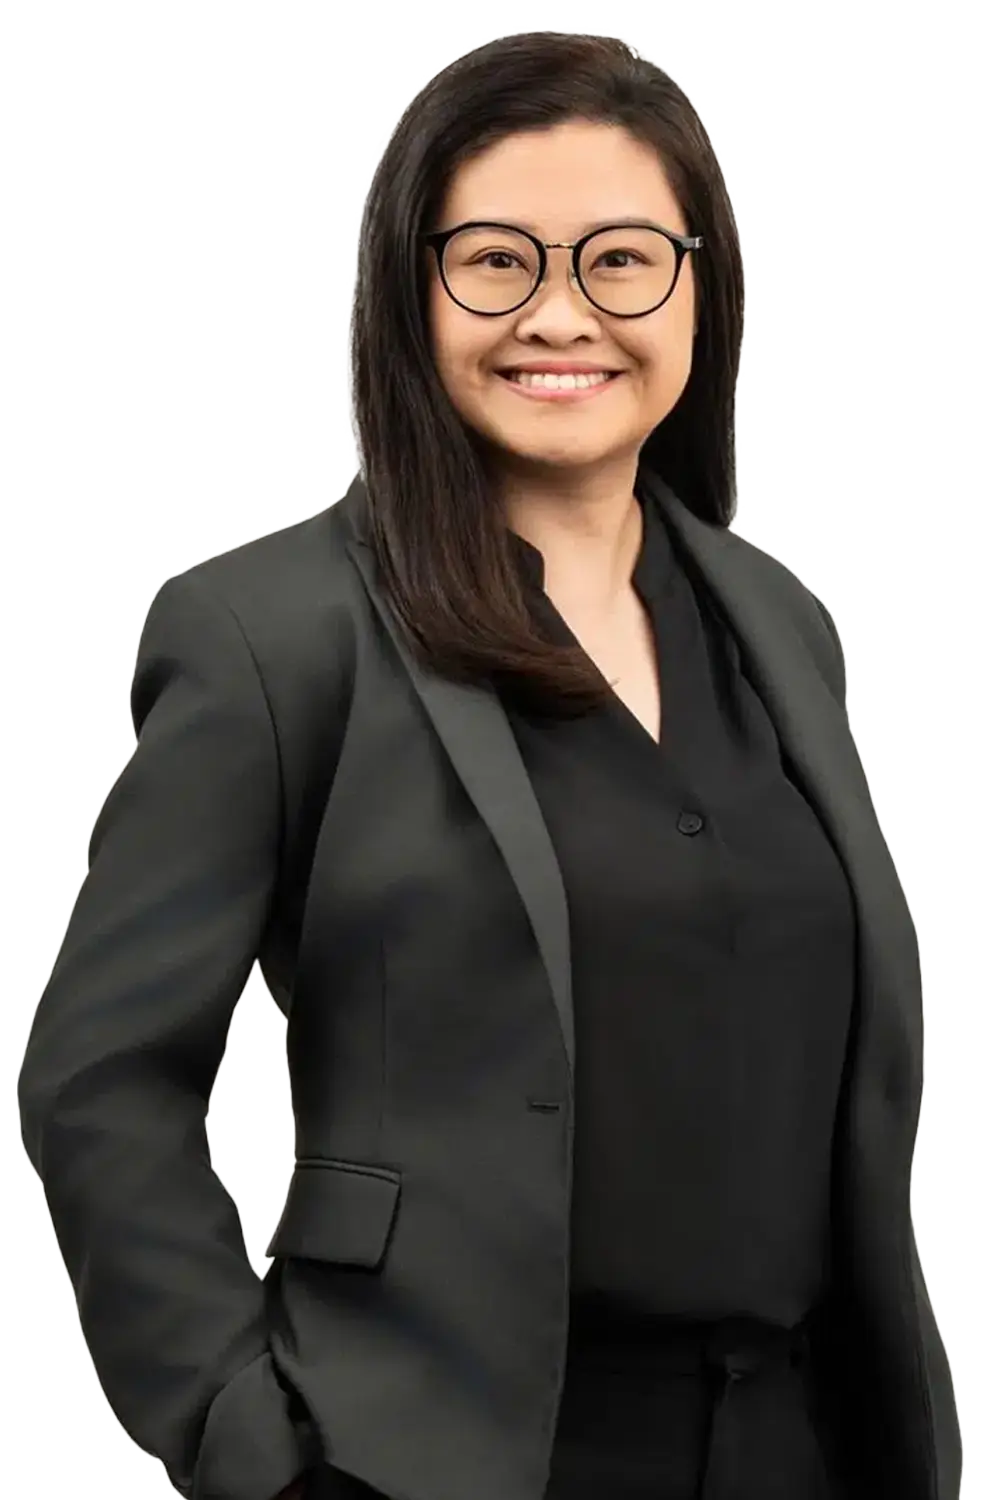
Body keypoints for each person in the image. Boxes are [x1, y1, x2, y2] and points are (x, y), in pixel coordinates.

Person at [16, 25, 963, 1500]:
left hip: (801, 1447)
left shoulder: (779, 622)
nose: (561, 314)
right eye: (497, 261)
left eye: (621, 260)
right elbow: (102, 1080)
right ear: (412, 292)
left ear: (702, 287)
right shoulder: (273, 635)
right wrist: (246, 1440)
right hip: (448, 1460)